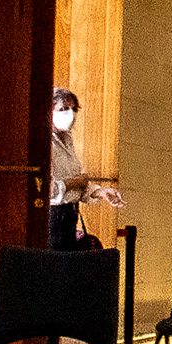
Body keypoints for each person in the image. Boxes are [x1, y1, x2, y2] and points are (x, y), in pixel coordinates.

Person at [49, 87, 123, 249]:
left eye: (74, 109)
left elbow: (79, 187)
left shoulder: (67, 139)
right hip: (52, 218)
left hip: (69, 215)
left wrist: (101, 191)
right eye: (63, 109)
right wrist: (73, 183)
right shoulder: (45, 141)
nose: (70, 114)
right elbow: (47, 190)